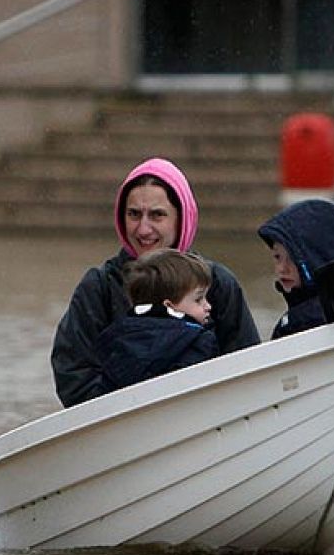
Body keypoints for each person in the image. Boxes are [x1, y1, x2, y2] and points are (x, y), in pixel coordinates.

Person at [52, 158, 260, 407]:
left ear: (182, 218)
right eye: (134, 215)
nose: (143, 229)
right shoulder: (99, 286)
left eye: (157, 215)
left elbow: (248, 367)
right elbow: (73, 374)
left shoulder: (219, 283)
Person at [81, 248, 218, 397]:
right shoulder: (199, 340)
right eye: (198, 299)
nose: (208, 306)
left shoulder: (115, 336)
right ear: (169, 306)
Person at [256, 198, 334, 338]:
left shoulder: (301, 323)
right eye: (277, 257)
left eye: (292, 259)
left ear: (315, 259)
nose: (281, 269)